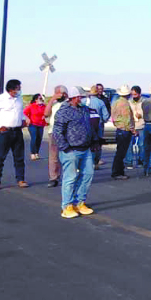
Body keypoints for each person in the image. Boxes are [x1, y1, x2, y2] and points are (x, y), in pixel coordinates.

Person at [54, 86, 96, 219]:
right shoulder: (63, 111)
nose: (82, 99)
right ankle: (67, 205)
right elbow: (58, 131)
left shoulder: (83, 109)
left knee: (87, 174)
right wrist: (65, 147)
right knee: (70, 178)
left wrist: (94, 140)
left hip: (85, 148)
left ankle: (80, 202)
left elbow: (89, 126)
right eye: (80, 97)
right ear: (74, 97)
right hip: (71, 150)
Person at [0, 79, 30, 190]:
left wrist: (23, 121)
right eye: (18, 88)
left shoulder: (19, 99)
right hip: (5, 132)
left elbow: (20, 113)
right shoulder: (0, 99)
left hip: (17, 131)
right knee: (0, 157)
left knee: (19, 157)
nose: (19, 90)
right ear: (11, 89)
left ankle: (20, 179)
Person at [44, 85, 67, 187]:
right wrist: (51, 100)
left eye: (59, 93)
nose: (57, 95)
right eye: (56, 93)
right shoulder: (54, 104)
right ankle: (53, 177)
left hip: (66, 133)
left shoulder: (68, 104)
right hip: (53, 132)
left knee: (67, 155)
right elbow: (46, 114)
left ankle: (68, 176)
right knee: (53, 156)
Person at [111, 85, 135, 180]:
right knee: (121, 153)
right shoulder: (125, 104)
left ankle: (117, 171)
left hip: (119, 128)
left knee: (119, 152)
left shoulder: (116, 102)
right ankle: (118, 172)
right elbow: (127, 119)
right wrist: (132, 129)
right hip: (124, 130)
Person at [84, 85, 110, 169]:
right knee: (97, 144)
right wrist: (102, 120)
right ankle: (95, 162)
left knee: (86, 144)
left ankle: (85, 162)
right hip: (98, 126)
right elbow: (106, 115)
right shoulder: (100, 102)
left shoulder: (83, 101)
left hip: (85, 126)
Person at [125, 85, 146, 169]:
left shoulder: (144, 102)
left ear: (139, 94)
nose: (134, 96)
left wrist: (141, 115)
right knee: (129, 145)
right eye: (132, 94)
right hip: (131, 126)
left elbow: (148, 113)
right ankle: (129, 162)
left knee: (142, 144)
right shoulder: (129, 102)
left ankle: (141, 160)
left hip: (141, 125)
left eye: (135, 95)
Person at [23, 94, 47, 160]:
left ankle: (36, 152)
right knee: (34, 138)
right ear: (36, 99)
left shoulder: (44, 106)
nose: (41, 100)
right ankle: (32, 153)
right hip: (32, 124)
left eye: (42, 98)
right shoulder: (31, 106)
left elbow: (47, 113)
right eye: (40, 98)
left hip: (41, 124)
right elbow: (24, 112)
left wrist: (45, 116)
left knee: (39, 138)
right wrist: (27, 118)